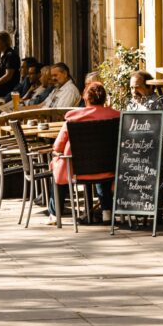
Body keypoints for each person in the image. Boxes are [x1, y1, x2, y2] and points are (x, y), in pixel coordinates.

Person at [46, 82, 120, 225]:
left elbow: (58, 146)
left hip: (77, 171)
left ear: (85, 99)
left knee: (58, 165)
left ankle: (55, 215)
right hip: (109, 170)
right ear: (104, 99)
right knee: (102, 162)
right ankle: (107, 212)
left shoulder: (73, 117)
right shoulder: (116, 116)